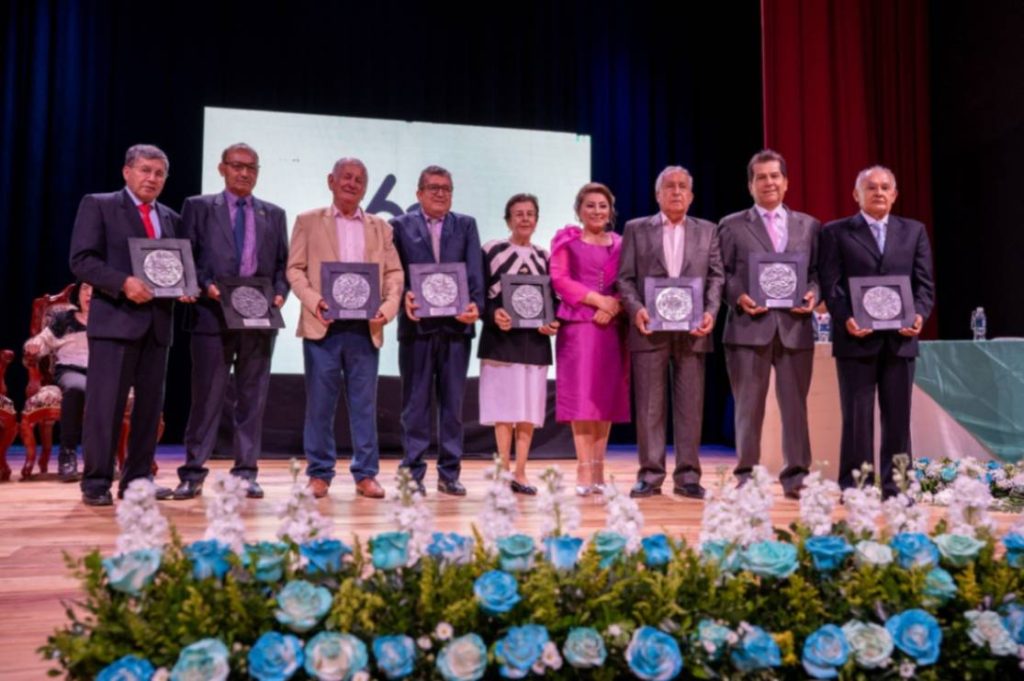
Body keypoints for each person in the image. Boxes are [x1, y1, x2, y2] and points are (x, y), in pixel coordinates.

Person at [172, 143, 289, 501]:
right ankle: (192, 473)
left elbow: (282, 266)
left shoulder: (274, 213)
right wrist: (205, 285)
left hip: (258, 319)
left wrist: (281, 293)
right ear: (222, 168)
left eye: (252, 167)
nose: (245, 173)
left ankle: (246, 473)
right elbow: (186, 254)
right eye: (237, 166)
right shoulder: (198, 207)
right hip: (211, 315)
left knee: (252, 400)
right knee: (206, 399)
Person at [69, 143, 184, 506]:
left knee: (150, 409)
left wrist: (183, 287)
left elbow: (174, 267)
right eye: (145, 170)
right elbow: (82, 261)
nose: (152, 178)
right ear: (127, 172)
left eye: (159, 173)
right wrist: (122, 283)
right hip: (115, 323)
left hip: (158, 325)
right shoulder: (99, 205)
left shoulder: (170, 218)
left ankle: (138, 481)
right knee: (106, 407)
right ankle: (97, 482)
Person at [286, 157, 404, 499]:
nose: (352, 183)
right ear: (331, 181)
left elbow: (394, 273)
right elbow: (295, 269)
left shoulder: (381, 227)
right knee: (320, 404)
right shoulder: (308, 222)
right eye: (346, 178)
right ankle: (319, 474)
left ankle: (366, 474)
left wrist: (388, 306)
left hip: (365, 329)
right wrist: (314, 301)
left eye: (359, 180)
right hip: (324, 325)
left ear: (365, 187)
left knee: (364, 404)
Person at [818, 165, 934, 497]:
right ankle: (857, 486)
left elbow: (924, 285)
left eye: (885, 187)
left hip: (901, 341)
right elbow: (832, 283)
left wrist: (920, 316)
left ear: (895, 195)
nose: (879, 192)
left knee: (898, 420)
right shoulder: (836, 232)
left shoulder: (914, 232)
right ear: (857, 195)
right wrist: (845, 319)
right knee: (857, 418)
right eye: (871, 187)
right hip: (856, 340)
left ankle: (898, 487)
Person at [717, 150, 820, 498]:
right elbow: (723, 274)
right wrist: (738, 296)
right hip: (747, 327)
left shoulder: (809, 225)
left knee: (795, 408)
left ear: (786, 182)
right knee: (748, 408)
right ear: (750, 185)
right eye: (761, 177)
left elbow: (817, 273)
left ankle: (797, 477)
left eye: (775, 176)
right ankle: (746, 477)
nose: (769, 182)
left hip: (794, 329)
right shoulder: (731, 225)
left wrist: (812, 293)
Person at [617, 166, 724, 499]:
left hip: (693, 330)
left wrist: (710, 311)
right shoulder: (636, 229)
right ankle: (650, 475)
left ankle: (688, 477)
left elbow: (717, 277)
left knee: (690, 405)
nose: (676, 192)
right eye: (669, 186)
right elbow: (625, 279)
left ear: (691, 196)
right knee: (650, 405)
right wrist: (637, 309)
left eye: (682, 187)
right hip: (650, 329)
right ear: (657, 194)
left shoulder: (708, 230)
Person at [391, 165, 485, 496]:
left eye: (446, 188)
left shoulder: (466, 225)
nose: (440, 193)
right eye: (433, 188)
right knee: (414, 404)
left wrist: (476, 306)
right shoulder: (399, 226)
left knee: (453, 406)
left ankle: (449, 473)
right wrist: (404, 298)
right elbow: (394, 274)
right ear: (419, 194)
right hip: (417, 328)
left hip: (457, 330)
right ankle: (412, 473)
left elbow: (475, 272)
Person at [550, 182, 630, 496]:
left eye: (602, 206)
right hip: (578, 325)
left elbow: (630, 280)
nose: (597, 211)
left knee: (604, 401)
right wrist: (599, 302)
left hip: (612, 327)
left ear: (610, 211)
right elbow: (560, 278)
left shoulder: (622, 243)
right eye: (590, 206)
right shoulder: (567, 241)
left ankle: (599, 468)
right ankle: (584, 470)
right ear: (579, 210)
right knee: (582, 400)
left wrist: (615, 307)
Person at [478, 194, 559, 495]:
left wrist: (552, 322)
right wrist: (492, 314)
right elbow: (479, 293)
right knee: (504, 409)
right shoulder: (491, 250)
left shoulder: (545, 256)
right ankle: (502, 471)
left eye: (530, 214)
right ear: (508, 219)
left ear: (536, 219)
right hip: (500, 340)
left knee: (527, 410)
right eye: (518, 213)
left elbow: (553, 301)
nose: (524, 218)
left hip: (533, 343)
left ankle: (521, 472)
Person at [23, 282, 93, 482]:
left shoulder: (109, 321)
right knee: (76, 387)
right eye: (86, 289)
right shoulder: (64, 319)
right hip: (70, 369)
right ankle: (67, 454)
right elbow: (41, 341)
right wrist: (33, 347)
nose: (90, 294)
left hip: (101, 372)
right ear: (78, 294)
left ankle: (102, 457)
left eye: (96, 290)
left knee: (106, 390)